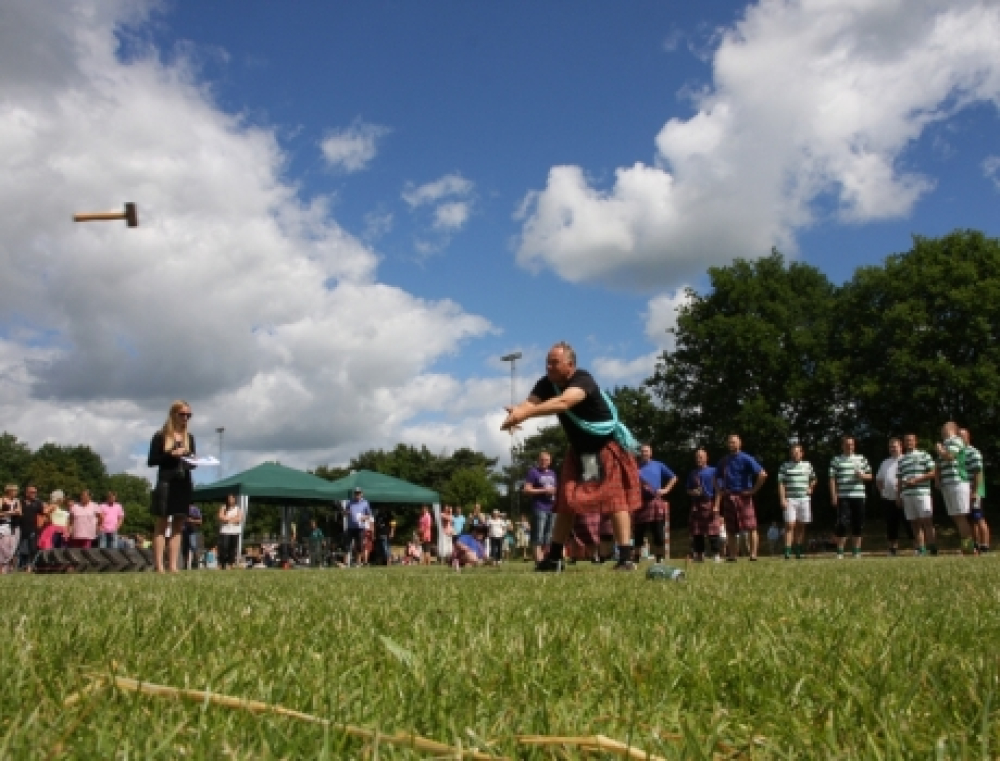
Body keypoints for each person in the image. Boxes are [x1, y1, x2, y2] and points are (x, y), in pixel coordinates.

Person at [501, 342, 643, 572]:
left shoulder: (583, 380)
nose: (549, 367)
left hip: (605, 447)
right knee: (566, 501)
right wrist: (517, 413)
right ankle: (554, 559)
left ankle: (625, 558)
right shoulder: (546, 383)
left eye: (554, 362)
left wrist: (524, 415)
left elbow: (564, 402)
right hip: (578, 451)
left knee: (616, 500)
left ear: (570, 365)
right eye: (547, 362)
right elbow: (529, 403)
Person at [148, 400, 197, 573]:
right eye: (182, 414)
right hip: (166, 483)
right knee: (162, 523)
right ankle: (159, 566)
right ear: (173, 414)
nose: (185, 418)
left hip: (183, 483)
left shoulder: (189, 438)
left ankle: (173, 566)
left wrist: (192, 460)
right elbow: (152, 461)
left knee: (178, 525)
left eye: (188, 415)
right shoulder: (160, 436)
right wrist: (171, 454)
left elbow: (192, 463)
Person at [714, 435, 767, 562]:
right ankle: (732, 556)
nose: (732, 444)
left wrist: (753, 490)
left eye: (734, 442)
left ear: (740, 443)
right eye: (730, 442)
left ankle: (753, 555)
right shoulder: (724, 461)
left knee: (751, 526)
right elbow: (715, 477)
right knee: (730, 529)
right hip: (729, 496)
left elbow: (763, 474)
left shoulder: (746, 458)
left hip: (744, 497)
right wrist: (719, 490)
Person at [631, 444, 676, 563]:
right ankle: (636, 558)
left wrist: (666, 490)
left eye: (646, 451)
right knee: (638, 532)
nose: (644, 453)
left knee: (658, 532)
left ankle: (659, 558)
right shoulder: (635, 467)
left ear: (651, 453)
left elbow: (673, 477)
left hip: (655, 502)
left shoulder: (658, 465)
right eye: (642, 451)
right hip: (640, 502)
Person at [829, 435, 872, 559]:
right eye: (847, 444)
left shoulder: (861, 459)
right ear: (842, 446)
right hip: (843, 496)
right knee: (842, 523)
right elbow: (832, 479)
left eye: (852, 444)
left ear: (854, 445)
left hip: (859, 495)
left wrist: (862, 476)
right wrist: (833, 495)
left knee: (858, 523)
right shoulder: (836, 460)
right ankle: (840, 551)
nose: (849, 446)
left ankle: (856, 551)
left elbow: (870, 476)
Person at [936, 422, 975, 553]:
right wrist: (938, 480)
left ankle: (969, 548)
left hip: (957, 482)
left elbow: (950, 457)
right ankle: (966, 546)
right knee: (955, 516)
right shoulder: (946, 443)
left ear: (951, 429)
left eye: (944, 428)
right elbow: (939, 464)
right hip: (948, 484)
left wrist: (940, 450)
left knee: (960, 516)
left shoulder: (956, 440)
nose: (942, 430)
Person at [897, 433, 937, 556]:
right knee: (914, 523)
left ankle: (932, 548)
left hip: (922, 493)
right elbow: (899, 479)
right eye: (906, 440)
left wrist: (917, 480)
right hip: (907, 495)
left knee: (927, 521)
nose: (909, 442)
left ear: (915, 441)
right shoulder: (902, 460)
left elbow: (933, 472)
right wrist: (898, 496)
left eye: (911, 440)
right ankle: (921, 549)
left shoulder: (924, 455)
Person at [778, 444, 817, 560]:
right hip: (790, 499)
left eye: (797, 452)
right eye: (793, 453)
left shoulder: (807, 465)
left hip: (804, 499)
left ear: (801, 453)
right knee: (790, 524)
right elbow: (781, 483)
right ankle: (787, 551)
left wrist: (811, 487)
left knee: (801, 525)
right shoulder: (785, 466)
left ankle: (798, 550)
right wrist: (782, 498)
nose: (795, 454)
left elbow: (814, 479)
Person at [687, 449, 721, 562]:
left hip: (710, 502)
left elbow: (719, 490)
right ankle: (699, 555)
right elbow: (688, 490)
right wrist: (693, 492)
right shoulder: (692, 473)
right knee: (697, 531)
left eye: (701, 457)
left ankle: (716, 555)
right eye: (697, 457)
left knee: (713, 531)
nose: (699, 459)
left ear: (706, 458)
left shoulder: (713, 471)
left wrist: (716, 505)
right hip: (696, 505)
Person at [523, 451, 558, 563]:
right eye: (542, 460)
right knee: (538, 534)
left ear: (550, 461)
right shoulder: (533, 472)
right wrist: (544, 490)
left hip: (552, 507)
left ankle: (546, 558)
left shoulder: (552, 473)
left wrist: (555, 491)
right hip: (539, 507)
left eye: (546, 460)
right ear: (538, 460)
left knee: (549, 535)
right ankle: (539, 560)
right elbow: (526, 489)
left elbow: (555, 488)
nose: (544, 462)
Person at [875, 438, 907, 556]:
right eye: (890, 447)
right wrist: (882, 492)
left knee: (909, 523)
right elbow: (878, 479)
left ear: (901, 447)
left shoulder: (906, 459)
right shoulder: (885, 462)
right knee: (891, 525)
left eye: (895, 446)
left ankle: (917, 547)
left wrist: (901, 495)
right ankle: (892, 549)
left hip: (905, 497)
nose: (893, 449)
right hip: (888, 498)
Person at [961, 428, 989, 553]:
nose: (960, 439)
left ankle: (985, 545)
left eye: (962, 436)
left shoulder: (973, 452)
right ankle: (975, 544)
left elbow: (978, 473)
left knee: (979, 517)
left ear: (968, 437)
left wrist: (975, 491)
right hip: (965, 490)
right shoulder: (960, 453)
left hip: (975, 489)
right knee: (970, 520)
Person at [18, 484, 44, 571]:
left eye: (35, 492)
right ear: (27, 493)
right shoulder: (20, 502)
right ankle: (18, 566)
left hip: (32, 529)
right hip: (19, 528)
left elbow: (43, 513)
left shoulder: (38, 503)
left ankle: (29, 567)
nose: (34, 494)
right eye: (32, 492)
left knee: (32, 549)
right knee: (20, 549)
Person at [345, 488, 372, 566]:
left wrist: (364, 517)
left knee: (359, 545)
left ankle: (358, 562)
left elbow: (369, 515)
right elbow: (345, 513)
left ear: (362, 494)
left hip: (360, 528)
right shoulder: (349, 502)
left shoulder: (365, 503)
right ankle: (346, 562)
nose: (357, 495)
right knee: (347, 544)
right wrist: (346, 512)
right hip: (350, 527)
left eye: (359, 493)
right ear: (354, 494)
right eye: (356, 493)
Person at [217, 494, 242, 570]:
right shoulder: (224, 507)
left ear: (234, 499)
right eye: (229, 498)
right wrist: (230, 519)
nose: (230, 500)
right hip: (225, 531)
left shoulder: (238, 508)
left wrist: (228, 519)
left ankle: (230, 563)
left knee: (232, 548)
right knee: (224, 547)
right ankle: (222, 563)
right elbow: (220, 516)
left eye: (232, 498)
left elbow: (239, 518)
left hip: (234, 531)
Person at [0, 485, 20, 574]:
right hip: (3, 526)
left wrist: (16, 512)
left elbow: (20, 512)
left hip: (14, 526)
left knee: (12, 547)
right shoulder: (2, 500)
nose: (16, 492)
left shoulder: (17, 501)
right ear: (9, 491)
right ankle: (3, 567)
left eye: (16, 491)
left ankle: (7, 567)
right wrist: (10, 512)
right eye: (14, 491)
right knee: (3, 547)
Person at [181, 504, 203, 569]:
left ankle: (195, 563)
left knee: (193, 546)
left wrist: (192, 521)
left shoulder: (195, 509)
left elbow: (200, 521)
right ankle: (185, 564)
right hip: (183, 531)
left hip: (193, 531)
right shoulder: (181, 509)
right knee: (184, 548)